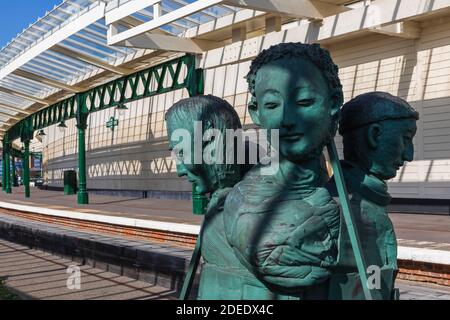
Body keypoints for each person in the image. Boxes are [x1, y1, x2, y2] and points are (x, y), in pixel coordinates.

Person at [222, 42, 344, 299]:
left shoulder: (349, 197)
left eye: (304, 101)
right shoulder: (244, 205)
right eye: (272, 105)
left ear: (334, 103)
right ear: (256, 113)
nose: (287, 119)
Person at [328, 91, 419, 299]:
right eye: (406, 139)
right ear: (374, 135)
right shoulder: (339, 208)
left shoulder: (367, 201)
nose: (409, 155)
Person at [165, 95, 254, 299]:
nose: (179, 170)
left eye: (180, 153)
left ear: (212, 145)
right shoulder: (226, 204)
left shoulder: (243, 216)